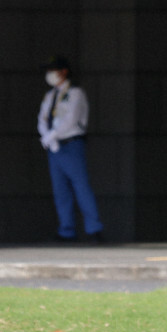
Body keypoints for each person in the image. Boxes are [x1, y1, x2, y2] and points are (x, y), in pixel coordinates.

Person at [37, 55, 104, 243]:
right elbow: (42, 119)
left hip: (71, 144)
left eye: (53, 70)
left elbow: (71, 120)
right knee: (61, 191)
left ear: (64, 71)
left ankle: (94, 229)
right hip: (55, 148)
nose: (50, 74)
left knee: (81, 186)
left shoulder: (75, 93)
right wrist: (47, 136)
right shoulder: (50, 96)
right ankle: (66, 230)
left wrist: (52, 135)